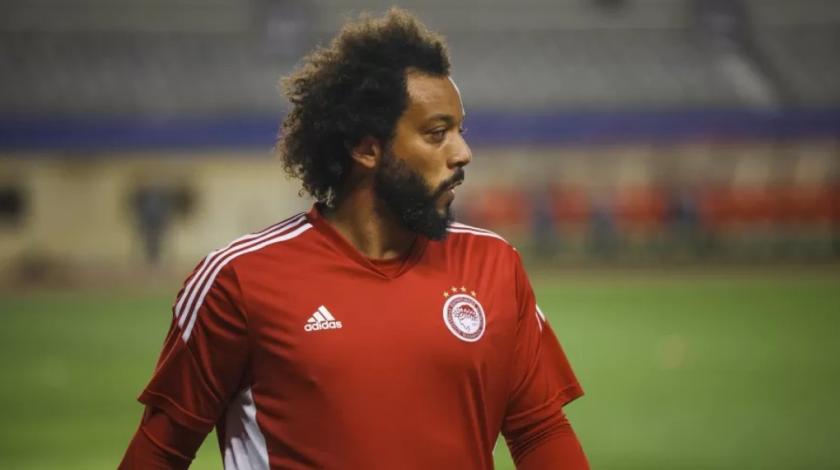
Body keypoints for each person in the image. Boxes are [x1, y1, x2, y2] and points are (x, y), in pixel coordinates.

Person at [120, 8, 588, 469]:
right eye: (437, 133)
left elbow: (539, 430)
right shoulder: (238, 281)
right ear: (367, 149)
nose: (463, 152)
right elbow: (160, 452)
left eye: (459, 131)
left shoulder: (495, 264)